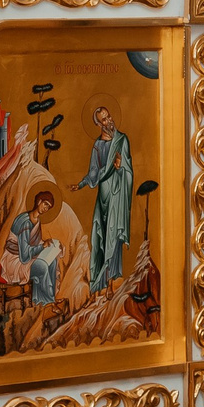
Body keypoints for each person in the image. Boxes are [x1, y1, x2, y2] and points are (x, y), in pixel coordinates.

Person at [71, 102, 135, 294]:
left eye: (109, 117)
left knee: (114, 236)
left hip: (117, 195)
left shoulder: (122, 140)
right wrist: (81, 184)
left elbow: (128, 170)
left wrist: (121, 167)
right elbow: (93, 172)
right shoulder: (98, 146)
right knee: (102, 236)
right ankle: (102, 281)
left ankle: (112, 282)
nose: (109, 121)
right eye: (104, 120)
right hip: (103, 195)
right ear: (98, 124)